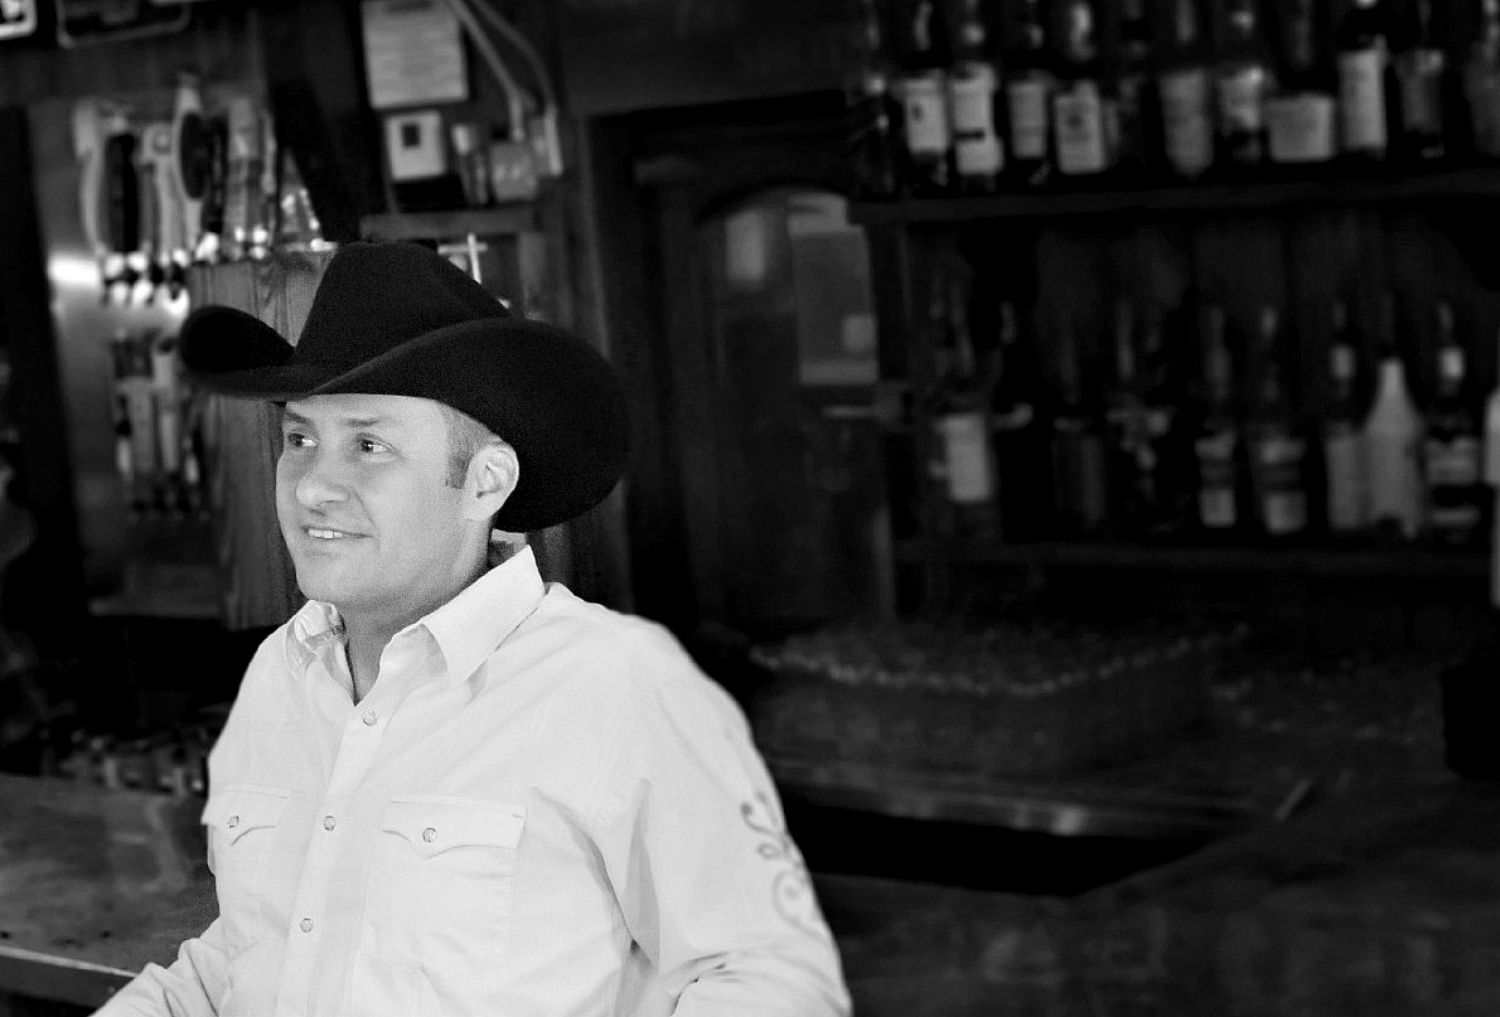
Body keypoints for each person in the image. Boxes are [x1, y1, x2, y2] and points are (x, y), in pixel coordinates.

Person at [95, 241, 851, 1017]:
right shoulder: (279, 674)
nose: (313, 485)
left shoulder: (616, 685)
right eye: (299, 439)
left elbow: (772, 980)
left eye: (369, 445)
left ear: (485, 482)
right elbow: (250, 954)